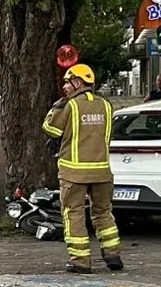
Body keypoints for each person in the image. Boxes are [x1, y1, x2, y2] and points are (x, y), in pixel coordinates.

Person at [42, 63, 123, 273]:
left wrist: (58, 104)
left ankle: (81, 261)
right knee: (104, 212)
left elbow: (50, 129)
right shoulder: (106, 105)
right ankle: (113, 256)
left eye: (67, 83)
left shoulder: (71, 105)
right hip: (102, 171)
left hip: (74, 172)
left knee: (73, 213)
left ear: (77, 82)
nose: (64, 87)